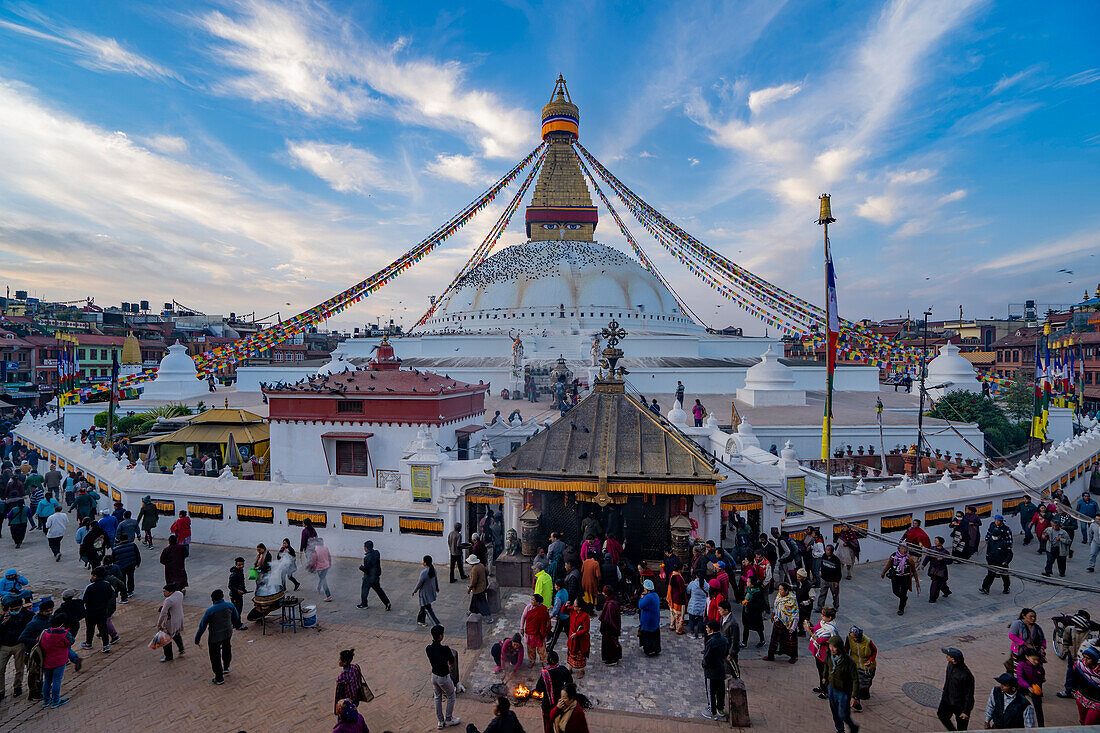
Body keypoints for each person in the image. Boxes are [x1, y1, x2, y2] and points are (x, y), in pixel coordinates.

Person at [194, 589, 240, 685]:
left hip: (215, 636)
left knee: (215, 656)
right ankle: (226, 667)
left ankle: (219, 677)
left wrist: (197, 639)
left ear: (212, 599)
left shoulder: (210, 611)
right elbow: (236, 617)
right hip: (227, 633)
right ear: (223, 596)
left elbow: (202, 626)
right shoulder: (230, 605)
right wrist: (234, 625)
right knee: (227, 649)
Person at [426, 625, 461, 730]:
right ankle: (449, 719)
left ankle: (440, 721)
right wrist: (449, 666)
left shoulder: (428, 648)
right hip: (443, 677)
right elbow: (451, 660)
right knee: (451, 695)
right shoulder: (445, 649)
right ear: (440, 636)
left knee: (437, 697)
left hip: (434, 676)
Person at [824, 636, 860, 733]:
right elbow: (826, 665)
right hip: (831, 688)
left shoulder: (849, 662)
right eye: (830, 646)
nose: (831, 649)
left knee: (843, 714)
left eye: (834, 647)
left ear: (839, 647)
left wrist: (854, 696)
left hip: (843, 692)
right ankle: (840, 730)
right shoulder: (829, 654)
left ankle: (853, 727)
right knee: (834, 712)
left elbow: (855, 679)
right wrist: (824, 677)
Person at [38, 613, 73, 708]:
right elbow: (71, 641)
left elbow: (39, 641)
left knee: (47, 680)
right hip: (59, 661)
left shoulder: (45, 633)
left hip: (47, 661)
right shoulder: (64, 634)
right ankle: (56, 701)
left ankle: (46, 700)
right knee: (56, 680)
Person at [0, 598, 32, 700]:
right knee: (0, 669)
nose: (13, 611)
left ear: (21, 607)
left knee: (19, 668)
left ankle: (17, 687)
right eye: (11, 609)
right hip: (4, 645)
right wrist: (3, 623)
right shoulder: (4, 617)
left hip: (19, 645)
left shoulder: (28, 616)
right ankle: (1, 691)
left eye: (16, 609)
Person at [534, 650, 573, 732]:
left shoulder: (545, 674)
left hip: (547, 705)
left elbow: (539, 689)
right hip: (561, 703)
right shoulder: (563, 669)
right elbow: (570, 682)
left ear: (550, 660)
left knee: (548, 726)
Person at [937, 647, 974, 731]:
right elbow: (948, 678)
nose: (946, 656)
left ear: (953, 659)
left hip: (960, 705)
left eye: (948, 655)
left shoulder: (966, 675)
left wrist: (966, 711)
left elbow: (969, 695)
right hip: (947, 699)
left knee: (962, 727)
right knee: (941, 715)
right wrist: (945, 689)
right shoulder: (950, 664)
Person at [1058, 611, 1093, 698]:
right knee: (1070, 673)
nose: (1075, 626)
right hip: (1072, 657)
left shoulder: (1090, 635)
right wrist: (1066, 651)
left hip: (1083, 660)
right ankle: (1068, 691)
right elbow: (1066, 642)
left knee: (1082, 676)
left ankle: (1080, 693)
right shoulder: (1070, 630)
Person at [701, 619, 730, 720]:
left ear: (711, 629)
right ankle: (720, 709)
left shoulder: (711, 642)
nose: (706, 629)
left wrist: (704, 664)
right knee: (720, 691)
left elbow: (707, 658)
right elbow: (726, 654)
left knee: (711, 692)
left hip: (711, 671)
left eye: (707, 628)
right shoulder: (724, 640)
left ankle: (712, 711)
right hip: (721, 670)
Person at [807, 607, 838, 700]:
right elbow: (815, 628)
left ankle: (827, 691)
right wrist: (810, 628)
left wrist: (810, 632)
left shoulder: (830, 630)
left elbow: (820, 640)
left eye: (824, 615)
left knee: (825, 673)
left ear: (830, 618)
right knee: (820, 671)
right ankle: (822, 687)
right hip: (819, 653)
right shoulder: (823, 623)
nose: (822, 616)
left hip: (825, 655)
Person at [81, 566, 114, 652]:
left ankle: (88, 643)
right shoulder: (107, 584)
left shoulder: (90, 587)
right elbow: (111, 595)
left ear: (95, 576)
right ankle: (106, 645)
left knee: (90, 628)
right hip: (103, 610)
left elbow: (84, 600)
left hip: (91, 611)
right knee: (103, 628)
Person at [881, 543, 919, 615]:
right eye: (903, 549)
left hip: (905, 578)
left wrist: (917, 581)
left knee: (903, 592)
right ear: (899, 549)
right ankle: (904, 598)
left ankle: (901, 609)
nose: (904, 551)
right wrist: (883, 572)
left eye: (906, 549)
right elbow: (888, 565)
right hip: (896, 577)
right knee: (895, 591)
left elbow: (914, 570)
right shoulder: (893, 556)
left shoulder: (909, 559)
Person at [980, 515, 1013, 595]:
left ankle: (1006, 588)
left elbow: (1009, 552)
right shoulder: (991, 540)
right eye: (996, 520)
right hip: (992, 560)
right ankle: (985, 588)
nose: (996, 522)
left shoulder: (1004, 542)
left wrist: (1005, 561)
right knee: (990, 575)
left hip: (1001, 560)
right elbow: (988, 550)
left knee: (1004, 575)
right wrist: (988, 558)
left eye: (998, 520)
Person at [846, 626, 877, 712]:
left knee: (866, 684)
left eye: (855, 637)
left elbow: (874, 651)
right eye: (852, 637)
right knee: (857, 685)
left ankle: (864, 693)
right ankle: (856, 702)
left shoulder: (868, 641)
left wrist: (870, 661)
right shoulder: (849, 638)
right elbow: (846, 648)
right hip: (855, 665)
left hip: (866, 667)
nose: (853, 639)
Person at [766, 582, 798, 663]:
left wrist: (793, 627)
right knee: (774, 640)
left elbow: (795, 615)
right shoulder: (779, 597)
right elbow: (776, 606)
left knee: (790, 642)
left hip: (788, 624)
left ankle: (793, 657)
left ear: (786, 591)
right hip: (778, 621)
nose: (779, 591)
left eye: (781, 590)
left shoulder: (792, 601)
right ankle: (771, 655)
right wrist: (773, 614)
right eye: (779, 589)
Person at [1067, 646, 1100, 724]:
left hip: (1097, 702)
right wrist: (1073, 690)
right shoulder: (1080, 665)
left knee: (1089, 723)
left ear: (1094, 660)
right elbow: (1075, 679)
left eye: (1088, 658)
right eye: (1084, 657)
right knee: (1082, 720)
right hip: (1082, 698)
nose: (1084, 660)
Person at [357, 540, 391, 611]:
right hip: (376, 576)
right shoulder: (377, 553)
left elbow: (367, 570)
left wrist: (361, 568)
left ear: (366, 548)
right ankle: (387, 602)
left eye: (364, 547)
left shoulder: (367, 558)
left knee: (364, 590)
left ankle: (364, 604)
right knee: (379, 590)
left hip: (369, 577)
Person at [157, 583, 186, 661]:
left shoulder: (168, 600)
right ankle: (181, 648)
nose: (164, 593)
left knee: (166, 639)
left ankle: (169, 657)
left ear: (170, 592)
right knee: (176, 634)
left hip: (171, 621)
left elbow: (163, 613)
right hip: (179, 618)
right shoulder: (179, 594)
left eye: (165, 591)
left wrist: (159, 624)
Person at [334, 649, 367, 714]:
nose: (339, 661)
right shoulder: (356, 667)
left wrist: (336, 709)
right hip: (356, 698)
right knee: (353, 712)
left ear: (345, 662)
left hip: (346, 703)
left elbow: (338, 695)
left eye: (340, 659)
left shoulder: (341, 678)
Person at [521, 593, 551, 666]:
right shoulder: (528, 607)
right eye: (531, 599)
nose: (531, 601)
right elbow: (523, 617)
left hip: (539, 633)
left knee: (541, 649)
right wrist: (521, 628)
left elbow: (547, 620)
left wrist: (546, 630)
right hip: (530, 632)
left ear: (538, 602)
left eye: (533, 600)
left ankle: (543, 661)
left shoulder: (543, 609)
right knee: (530, 649)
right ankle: (532, 660)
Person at [923, 536, 953, 603]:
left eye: (937, 541)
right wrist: (923, 564)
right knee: (940, 584)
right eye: (935, 540)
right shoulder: (932, 549)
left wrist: (942, 559)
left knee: (935, 585)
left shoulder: (945, 552)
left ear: (941, 543)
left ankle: (932, 598)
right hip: (933, 570)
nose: (935, 542)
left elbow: (950, 561)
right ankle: (947, 592)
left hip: (941, 571)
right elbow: (928, 557)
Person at [414, 555, 441, 627]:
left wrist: (415, 590)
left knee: (425, 607)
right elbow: (436, 580)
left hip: (424, 593)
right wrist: (437, 587)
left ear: (425, 563)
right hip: (430, 592)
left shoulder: (424, 572)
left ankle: (431, 622)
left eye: (423, 561)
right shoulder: (433, 569)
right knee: (424, 607)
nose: (422, 562)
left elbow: (419, 583)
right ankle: (421, 620)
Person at [597, 585, 621, 665]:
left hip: (610, 628)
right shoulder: (611, 601)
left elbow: (610, 619)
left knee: (610, 644)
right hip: (610, 627)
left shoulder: (611, 605)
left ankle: (612, 659)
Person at [741, 576, 767, 647]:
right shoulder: (748, 590)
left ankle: (762, 640)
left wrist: (748, 604)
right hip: (747, 613)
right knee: (746, 627)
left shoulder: (757, 593)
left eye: (748, 581)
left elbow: (759, 605)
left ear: (752, 584)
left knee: (758, 628)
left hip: (754, 614)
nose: (746, 582)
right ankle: (744, 642)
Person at [638, 578, 661, 657]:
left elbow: (640, 605)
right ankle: (655, 649)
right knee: (654, 635)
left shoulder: (647, 597)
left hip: (648, 620)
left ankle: (649, 650)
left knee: (648, 636)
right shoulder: (655, 595)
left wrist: (641, 598)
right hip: (655, 619)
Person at [816, 544, 842, 611]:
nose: (826, 551)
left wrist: (837, 582)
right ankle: (820, 606)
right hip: (824, 579)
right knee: (822, 593)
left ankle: (836, 606)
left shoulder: (836, 560)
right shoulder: (824, 556)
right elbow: (822, 564)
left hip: (833, 580)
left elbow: (839, 572)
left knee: (835, 594)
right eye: (826, 550)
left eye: (828, 550)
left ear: (831, 551)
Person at [547, 579, 570, 652]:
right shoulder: (565, 591)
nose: (555, 586)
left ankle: (550, 648)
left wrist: (552, 615)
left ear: (558, 586)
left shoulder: (558, 595)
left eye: (556, 585)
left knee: (556, 634)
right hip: (567, 615)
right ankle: (574, 644)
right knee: (568, 633)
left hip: (561, 617)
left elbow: (557, 608)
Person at [467, 555, 491, 622]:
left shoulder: (474, 569)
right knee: (474, 600)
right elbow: (487, 572)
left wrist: (470, 589)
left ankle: (487, 616)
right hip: (483, 586)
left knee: (482, 602)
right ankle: (472, 611)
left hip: (478, 589)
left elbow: (474, 581)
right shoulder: (481, 565)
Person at [309, 537, 334, 601]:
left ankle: (328, 596)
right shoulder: (326, 548)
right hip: (326, 566)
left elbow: (314, 560)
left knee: (323, 581)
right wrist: (330, 564)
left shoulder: (316, 550)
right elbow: (329, 557)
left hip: (320, 568)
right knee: (323, 578)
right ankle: (318, 588)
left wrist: (311, 566)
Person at [228, 557, 248, 629]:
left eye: (242, 564)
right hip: (235, 596)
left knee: (237, 610)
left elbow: (242, 582)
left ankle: (234, 623)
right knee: (237, 611)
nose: (241, 566)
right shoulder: (234, 574)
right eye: (239, 565)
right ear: (236, 565)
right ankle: (238, 625)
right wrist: (238, 591)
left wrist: (244, 589)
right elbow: (230, 586)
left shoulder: (240, 571)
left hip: (238, 595)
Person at [666, 565, 686, 634]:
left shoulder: (672, 575)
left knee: (673, 613)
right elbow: (682, 590)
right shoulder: (679, 578)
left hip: (672, 598)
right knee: (679, 616)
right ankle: (678, 630)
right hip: (679, 599)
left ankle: (672, 626)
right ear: (680, 569)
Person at [794, 568, 813, 634]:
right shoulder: (798, 582)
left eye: (799, 577)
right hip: (799, 604)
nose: (797, 577)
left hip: (806, 607)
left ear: (803, 577)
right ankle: (802, 631)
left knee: (805, 620)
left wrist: (805, 602)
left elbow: (812, 598)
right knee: (799, 618)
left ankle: (813, 631)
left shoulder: (809, 586)